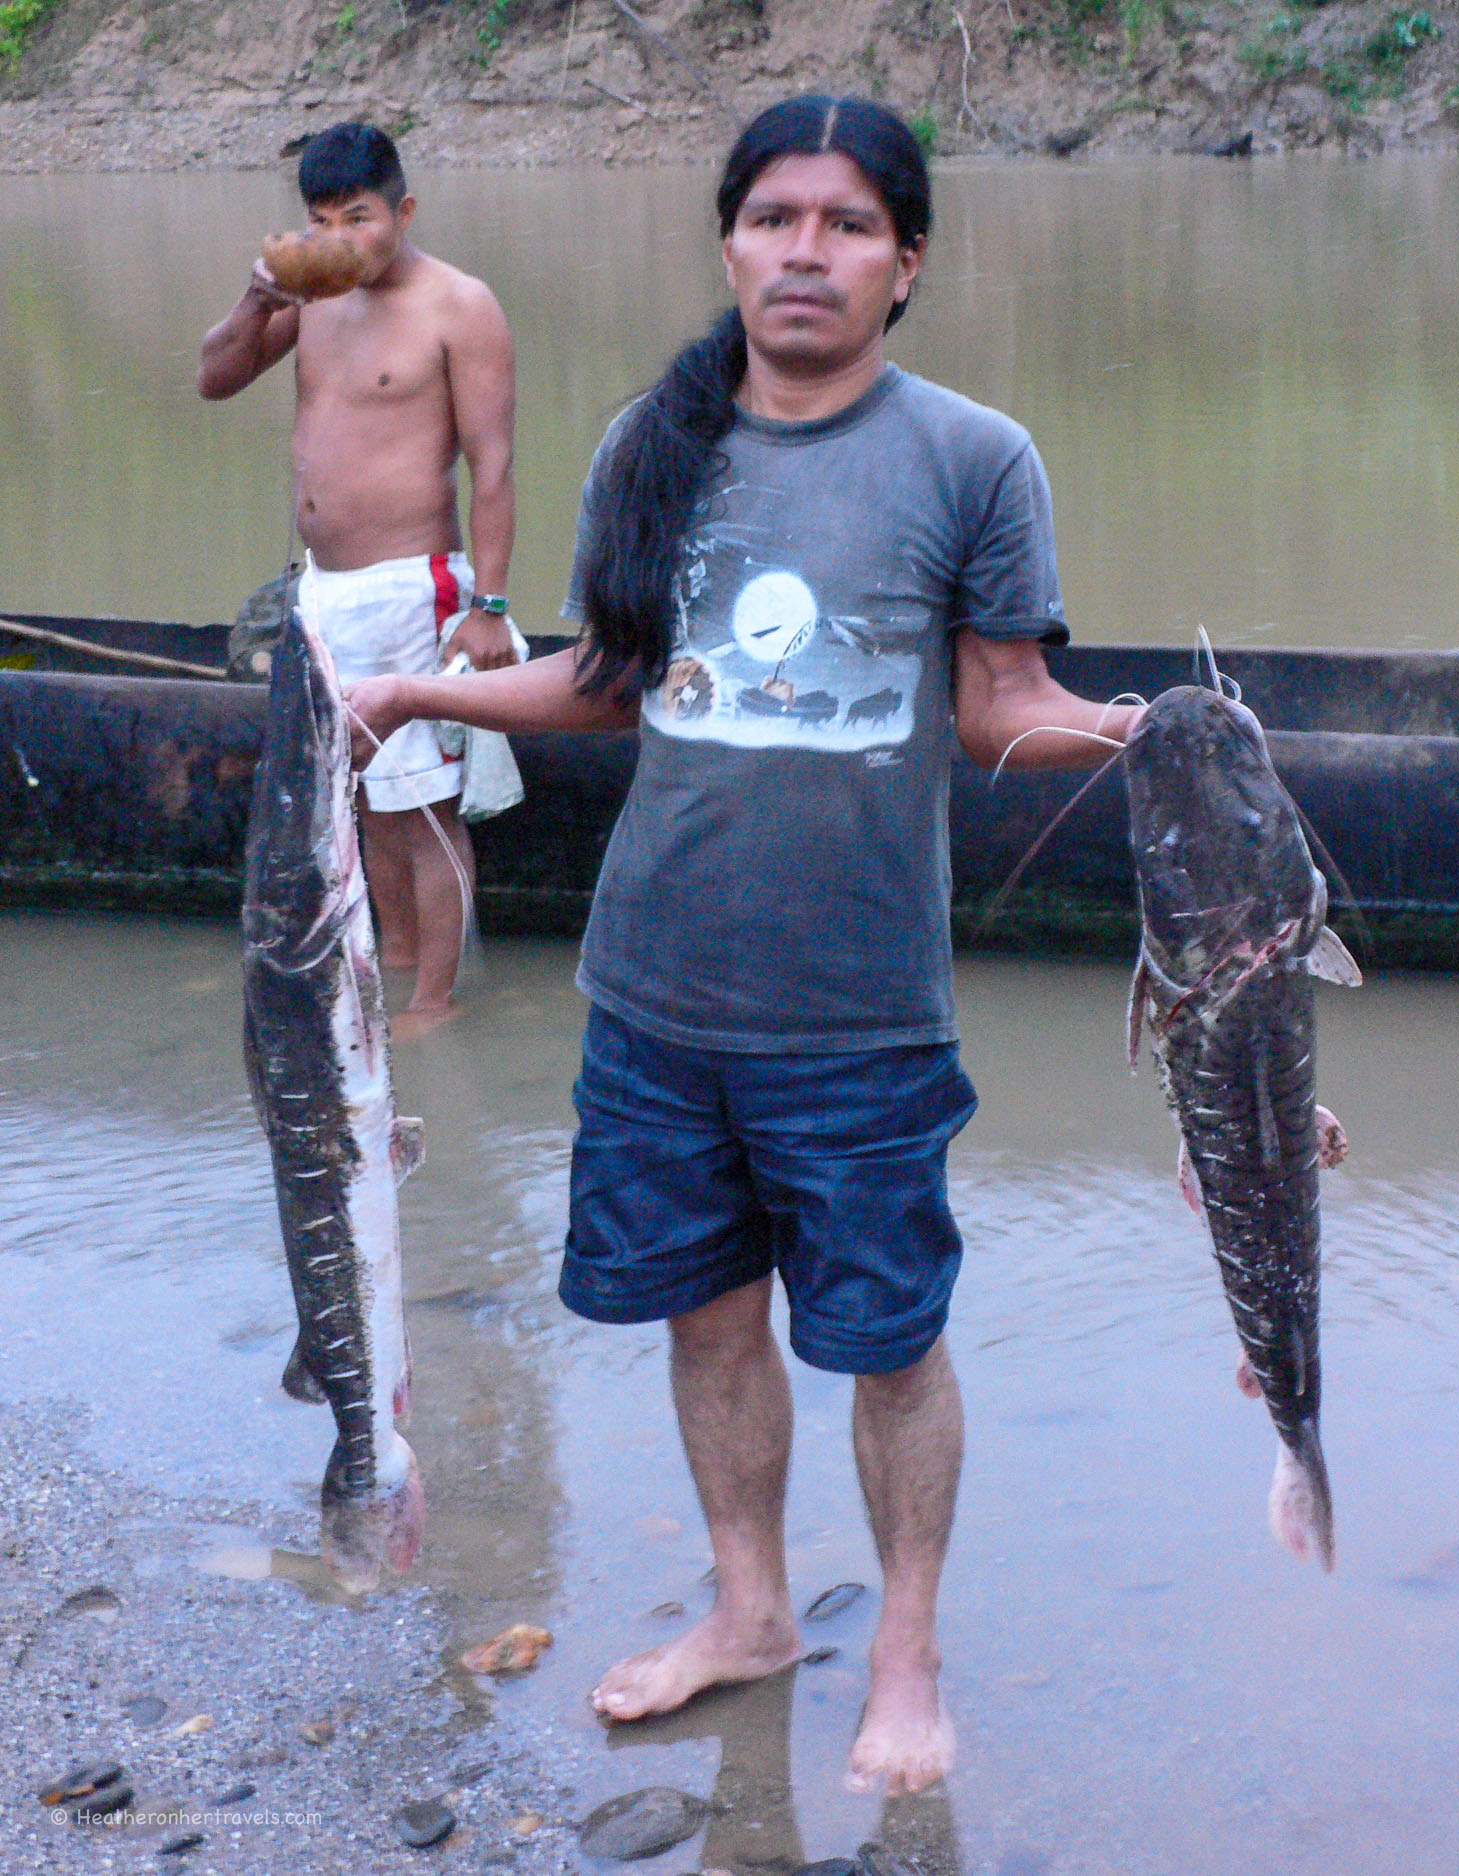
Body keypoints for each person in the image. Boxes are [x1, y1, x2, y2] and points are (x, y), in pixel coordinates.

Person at [347, 94, 1144, 1793]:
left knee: (888, 1343)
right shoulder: (656, 439)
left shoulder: (972, 459)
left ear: (906, 260)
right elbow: (609, 684)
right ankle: (752, 1611)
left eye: (848, 224)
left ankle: (910, 1653)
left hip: (861, 1012)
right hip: (652, 997)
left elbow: (1004, 710)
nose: (807, 251)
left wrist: (1150, 735)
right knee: (706, 1324)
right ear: (728, 239)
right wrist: (416, 684)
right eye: (777, 217)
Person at [197, 121, 521, 1029]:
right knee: (365, 806)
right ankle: (397, 968)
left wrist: (488, 608)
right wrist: (256, 301)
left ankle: (435, 1002)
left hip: (418, 590)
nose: (343, 237)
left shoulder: (461, 305)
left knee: (422, 807)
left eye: (361, 216)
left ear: (404, 209)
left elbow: (491, 465)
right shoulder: (314, 294)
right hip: (326, 591)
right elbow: (213, 379)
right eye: (322, 219)